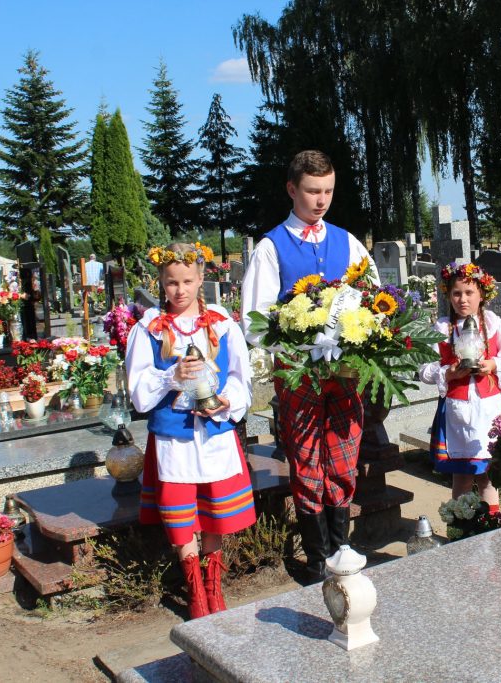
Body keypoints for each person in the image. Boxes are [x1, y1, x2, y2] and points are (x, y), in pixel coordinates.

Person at [241, 150, 378, 584]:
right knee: (306, 459)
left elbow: (374, 296)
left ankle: (341, 547)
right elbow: (254, 321)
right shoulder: (271, 247)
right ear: (292, 189)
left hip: (344, 373)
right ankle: (317, 559)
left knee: (343, 456)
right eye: (313, 191)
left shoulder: (347, 242)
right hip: (299, 374)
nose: (321, 201)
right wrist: (299, 343)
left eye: (328, 191)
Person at [125, 241, 256, 619]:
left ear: (201, 279)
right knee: (181, 516)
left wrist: (228, 400)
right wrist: (171, 376)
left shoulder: (221, 323)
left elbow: (240, 377)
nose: (179, 290)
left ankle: (214, 585)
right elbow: (138, 394)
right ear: (161, 282)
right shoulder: (149, 328)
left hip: (214, 435)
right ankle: (194, 587)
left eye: (186, 281)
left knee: (215, 512)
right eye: (171, 283)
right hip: (175, 439)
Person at [419, 262, 501, 513]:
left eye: (469, 293)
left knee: (487, 474)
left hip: (488, 409)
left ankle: (492, 523)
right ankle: (462, 525)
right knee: (462, 475)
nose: (462, 299)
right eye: (456, 293)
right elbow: (424, 370)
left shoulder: (494, 325)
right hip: (458, 411)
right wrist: (449, 372)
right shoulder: (442, 329)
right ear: (448, 296)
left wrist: (493, 364)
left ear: (482, 295)